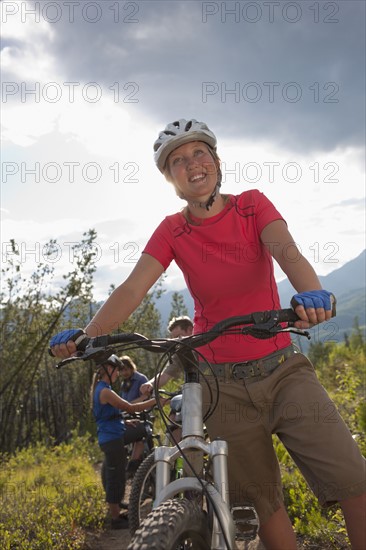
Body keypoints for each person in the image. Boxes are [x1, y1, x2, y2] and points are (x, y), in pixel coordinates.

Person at [51, 119, 366, 549]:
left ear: (216, 161)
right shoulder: (172, 230)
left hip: (282, 369)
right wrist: (88, 337)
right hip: (220, 384)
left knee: (353, 480)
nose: (192, 164)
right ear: (171, 180)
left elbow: (287, 251)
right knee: (265, 506)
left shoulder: (252, 206)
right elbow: (132, 288)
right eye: (177, 161)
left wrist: (311, 296)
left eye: (199, 153)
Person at [91, 354, 156, 529]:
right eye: (117, 370)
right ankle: (115, 519)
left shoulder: (101, 387)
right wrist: (156, 401)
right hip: (112, 439)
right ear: (109, 370)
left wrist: (125, 421)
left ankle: (117, 509)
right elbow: (129, 407)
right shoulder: (105, 391)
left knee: (115, 475)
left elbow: (109, 414)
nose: (118, 374)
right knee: (116, 478)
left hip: (111, 435)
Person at [140, 316, 193, 395]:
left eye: (179, 337)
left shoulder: (207, 345)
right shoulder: (180, 352)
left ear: (190, 330)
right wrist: (150, 384)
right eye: (174, 339)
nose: (177, 341)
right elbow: (165, 375)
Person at [119, 355, 150, 475]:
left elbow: (146, 398)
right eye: (122, 370)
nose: (124, 372)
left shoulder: (141, 379)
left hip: (141, 414)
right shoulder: (124, 383)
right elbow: (122, 401)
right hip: (127, 414)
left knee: (140, 436)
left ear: (132, 368)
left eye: (126, 369)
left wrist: (129, 405)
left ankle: (133, 465)